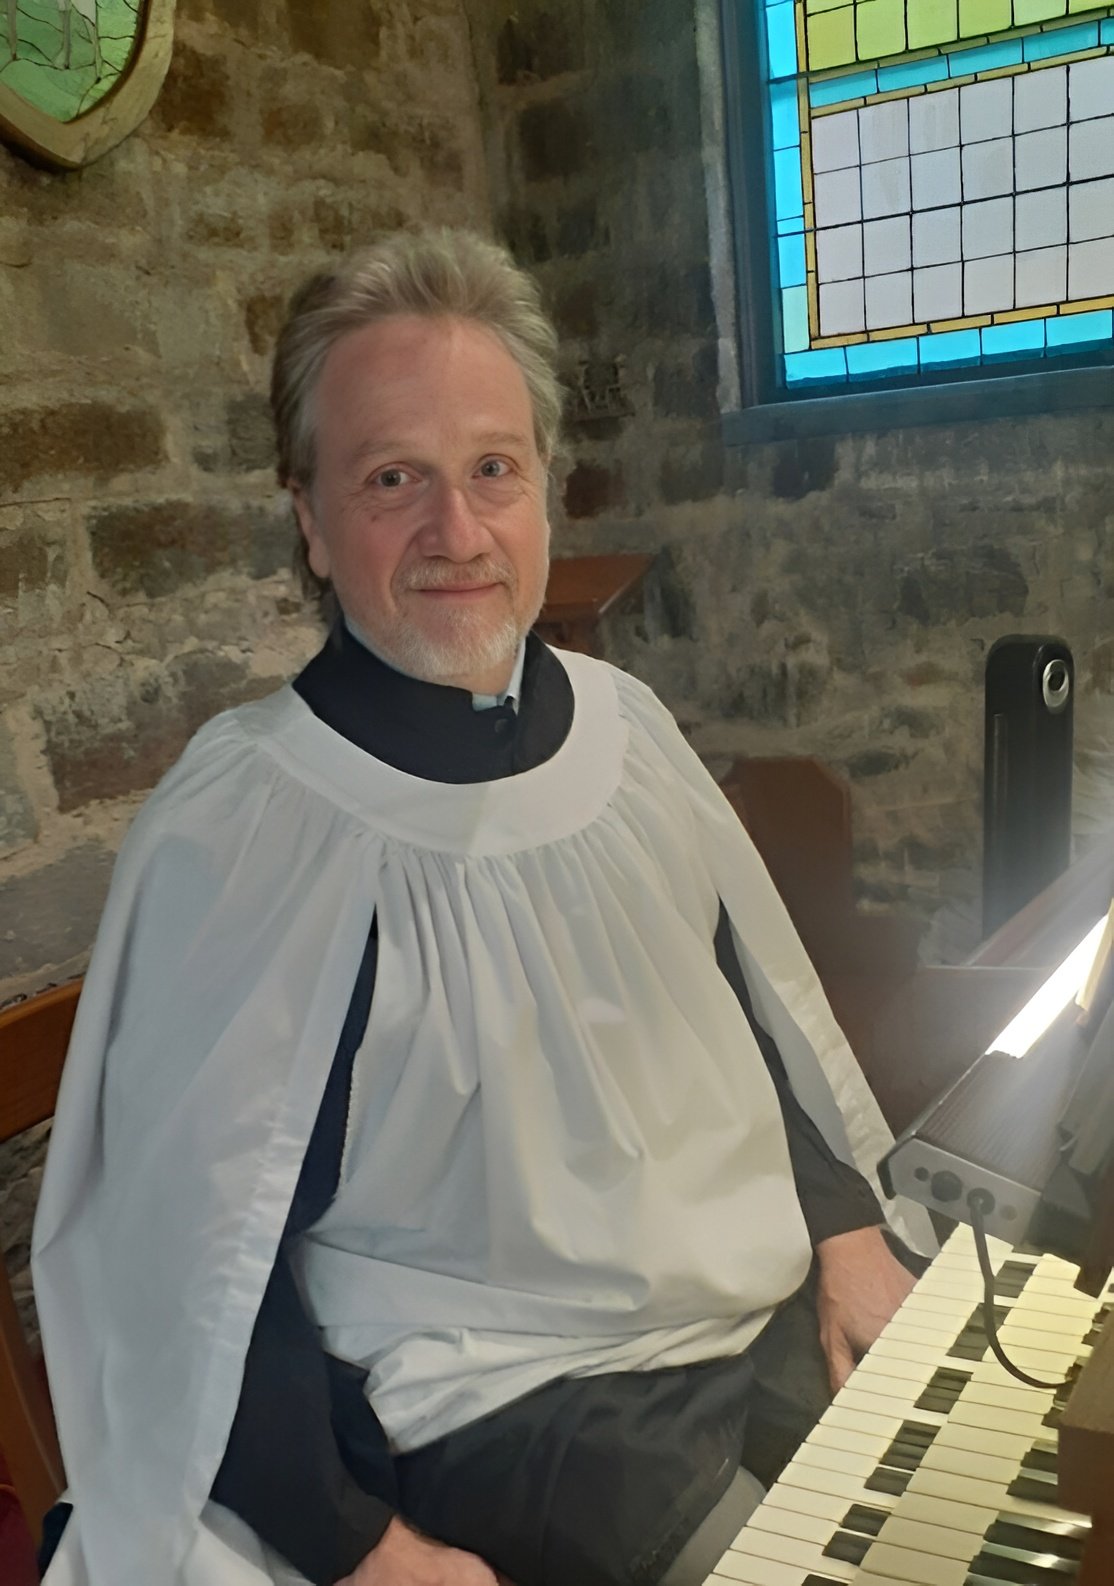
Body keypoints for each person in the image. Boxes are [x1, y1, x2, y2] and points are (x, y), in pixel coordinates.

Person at [32, 229, 934, 1586]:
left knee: (973, 1495)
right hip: (502, 1394)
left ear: (542, 491)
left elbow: (755, 1012)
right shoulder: (244, 826)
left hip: (738, 1298)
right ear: (310, 520)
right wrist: (364, 1549)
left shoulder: (625, 734)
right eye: (394, 478)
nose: (456, 534)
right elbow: (191, 1278)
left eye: (491, 471)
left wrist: (846, 1227)